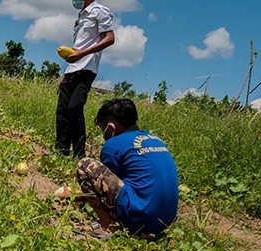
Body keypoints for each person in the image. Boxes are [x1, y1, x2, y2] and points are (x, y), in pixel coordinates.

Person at [70, 98, 179, 237]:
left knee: (85, 166)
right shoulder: (156, 140)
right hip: (164, 222)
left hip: (139, 217)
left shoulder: (114, 144)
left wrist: (73, 195)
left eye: (103, 129)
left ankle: (107, 226)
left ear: (111, 127)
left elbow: (104, 192)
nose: (104, 135)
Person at [54, 0, 115, 158]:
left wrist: (83, 53)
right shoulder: (80, 16)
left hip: (87, 68)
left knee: (74, 107)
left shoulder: (100, 11)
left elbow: (110, 38)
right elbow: (77, 47)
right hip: (72, 69)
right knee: (62, 110)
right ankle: (61, 151)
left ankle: (79, 154)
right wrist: (65, 73)